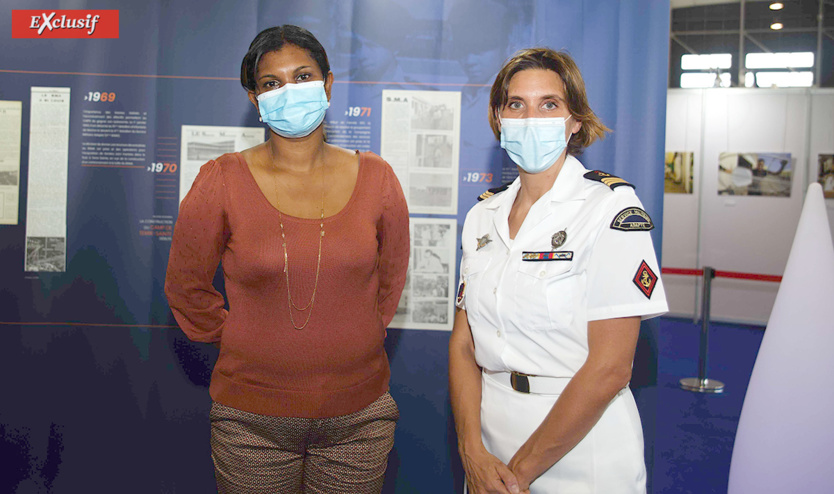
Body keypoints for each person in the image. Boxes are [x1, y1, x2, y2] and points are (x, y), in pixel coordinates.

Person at [165, 25, 409, 493]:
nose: (288, 91)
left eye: (302, 76)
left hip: (358, 418)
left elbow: (390, 280)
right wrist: (241, 339)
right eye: (272, 83)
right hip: (251, 423)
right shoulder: (221, 180)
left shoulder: (377, 178)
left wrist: (356, 335)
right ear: (255, 100)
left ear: (328, 85)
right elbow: (185, 287)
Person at [449, 48, 668, 494]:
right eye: (516, 104)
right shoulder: (482, 217)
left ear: (575, 121)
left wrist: (519, 474)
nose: (531, 118)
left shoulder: (611, 208)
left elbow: (611, 368)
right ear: (498, 118)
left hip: (583, 449)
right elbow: (463, 342)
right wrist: (471, 451)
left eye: (549, 104)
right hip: (490, 444)